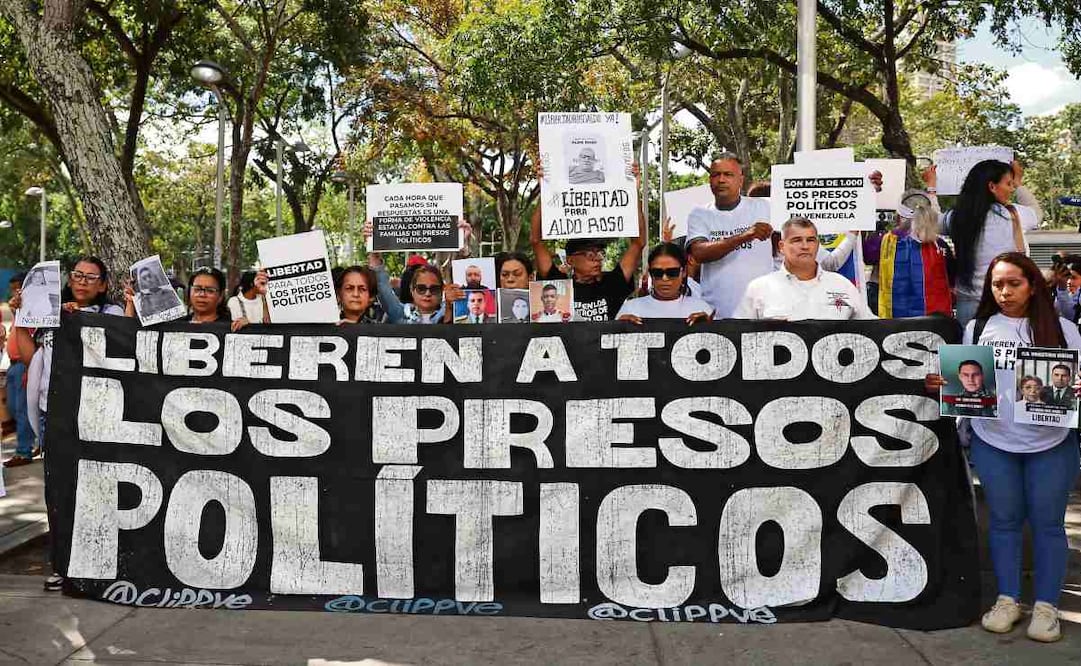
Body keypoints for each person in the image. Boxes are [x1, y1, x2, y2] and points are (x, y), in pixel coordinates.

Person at [925, 252, 1079, 643]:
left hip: (1051, 443)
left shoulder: (1064, 329)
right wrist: (944, 384)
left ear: (1032, 286)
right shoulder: (978, 328)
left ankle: (1046, 606)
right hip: (994, 441)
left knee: (1048, 525)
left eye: (1014, 283)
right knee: (1004, 522)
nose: (1005, 292)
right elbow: (966, 381)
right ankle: (1007, 599)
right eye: (997, 284)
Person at [10, 257, 125, 590]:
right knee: (59, 492)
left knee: (98, 491)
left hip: (96, 415)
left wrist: (80, 321)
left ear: (103, 285)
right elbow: (31, 358)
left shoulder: (112, 313)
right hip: (54, 414)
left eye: (91, 277)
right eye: (77, 275)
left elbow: (124, 348)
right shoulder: (51, 314)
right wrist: (21, 318)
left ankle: (101, 562)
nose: (83, 281)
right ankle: (63, 563)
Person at [531, 164, 646, 321]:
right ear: (570, 260)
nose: (598, 259)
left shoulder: (612, 283)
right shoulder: (559, 286)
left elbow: (638, 243)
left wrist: (632, 193)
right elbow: (536, 241)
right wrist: (545, 191)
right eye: (590, 255)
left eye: (600, 254)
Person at [936, 160, 1040, 326]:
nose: (1011, 189)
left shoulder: (956, 217)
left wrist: (931, 188)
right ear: (992, 187)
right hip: (1005, 303)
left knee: (970, 343)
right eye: (1009, 184)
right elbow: (1036, 212)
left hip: (968, 305)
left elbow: (931, 222)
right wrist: (1019, 183)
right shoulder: (1013, 215)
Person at [734, 217, 875, 320]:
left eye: (810, 240)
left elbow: (871, 327)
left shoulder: (842, 285)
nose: (805, 246)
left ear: (818, 245)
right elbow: (738, 333)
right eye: (796, 240)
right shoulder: (759, 288)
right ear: (781, 247)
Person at [686, 153, 773, 318]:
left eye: (728, 174)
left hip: (761, 314)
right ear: (709, 180)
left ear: (741, 180)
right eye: (715, 175)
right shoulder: (699, 214)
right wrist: (745, 236)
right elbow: (699, 253)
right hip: (717, 315)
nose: (721, 180)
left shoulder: (765, 207)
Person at [864, 195, 954, 318]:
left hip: (895, 320)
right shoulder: (940, 245)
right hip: (934, 321)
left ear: (900, 216)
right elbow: (952, 278)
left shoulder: (883, 241)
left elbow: (865, 257)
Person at [617, 243, 713, 323]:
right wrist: (619, 327)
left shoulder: (701, 308)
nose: (665, 278)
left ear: (683, 272)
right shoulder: (631, 309)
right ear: (651, 273)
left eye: (672, 272)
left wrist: (708, 327)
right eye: (657, 273)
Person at [3, 273, 36, 469]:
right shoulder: (20, 309)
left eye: (18, 288)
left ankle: (23, 450)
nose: (15, 292)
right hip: (14, 365)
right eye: (13, 289)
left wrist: (29, 367)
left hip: (24, 364)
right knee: (14, 408)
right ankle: (33, 442)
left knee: (22, 409)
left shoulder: (34, 309)